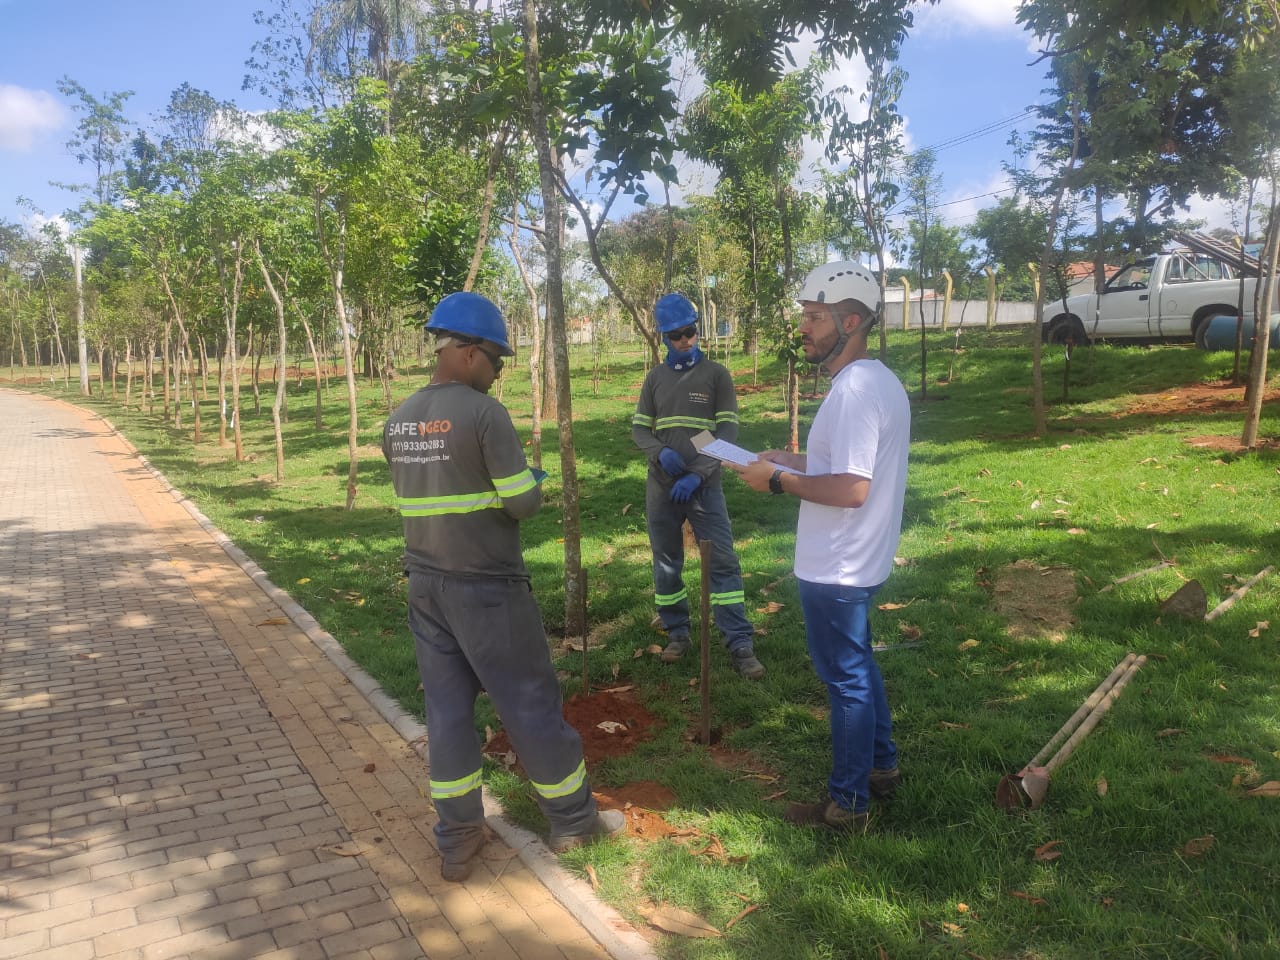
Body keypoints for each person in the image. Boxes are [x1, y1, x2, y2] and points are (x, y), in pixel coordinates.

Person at [382, 291, 623, 882]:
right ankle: (572, 819)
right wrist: (530, 483)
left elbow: (434, 494)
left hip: (426, 586)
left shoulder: (398, 418)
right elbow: (520, 503)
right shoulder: (483, 414)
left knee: (447, 714)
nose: (499, 373)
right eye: (497, 361)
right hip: (487, 586)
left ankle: (458, 836)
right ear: (467, 352)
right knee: (529, 701)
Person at [730, 262, 910, 831]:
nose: (803, 327)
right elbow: (850, 467)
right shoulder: (876, 380)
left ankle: (848, 804)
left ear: (849, 319)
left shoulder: (855, 391)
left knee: (845, 679)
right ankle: (881, 769)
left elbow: (852, 489)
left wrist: (776, 481)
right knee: (857, 665)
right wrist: (793, 460)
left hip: (838, 562)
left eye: (813, 317)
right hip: (858, 556)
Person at [631, 292, 764, 680]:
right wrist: (659, 453)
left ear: (698, 330)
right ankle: (677, 633)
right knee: (666, 560)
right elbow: (640, 429)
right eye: (675, 336)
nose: (684, 341)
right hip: (661, 484)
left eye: (689, 332)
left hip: (704, 484)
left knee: (722, 560)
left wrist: (698, 472)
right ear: (663, 338)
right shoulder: (654, 378)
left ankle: (739, 642)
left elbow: (727, 429)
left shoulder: (716, 375)